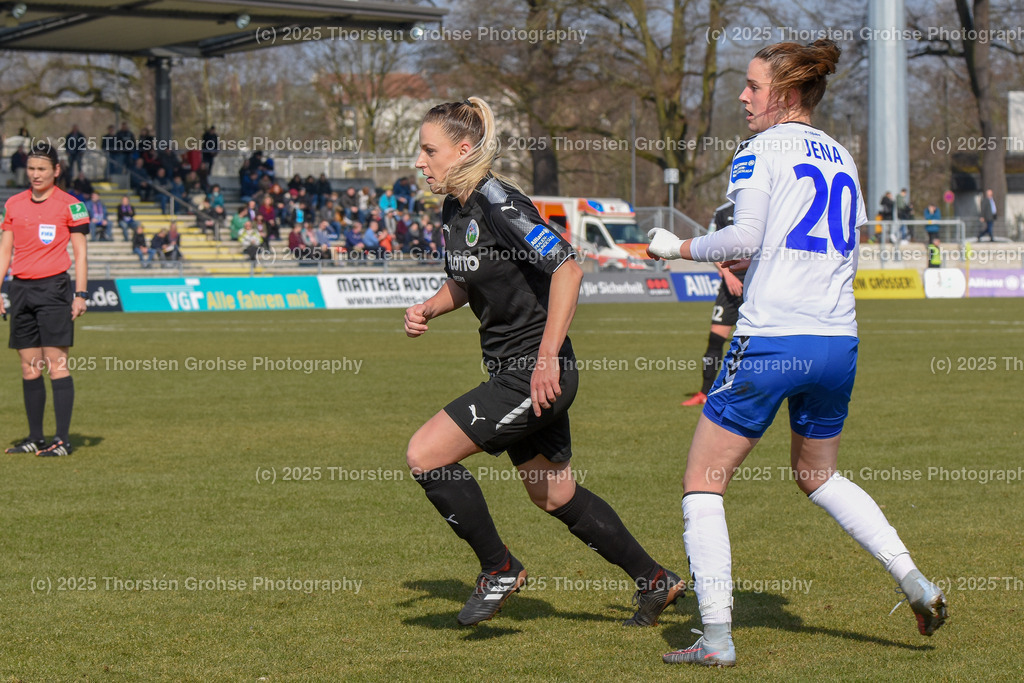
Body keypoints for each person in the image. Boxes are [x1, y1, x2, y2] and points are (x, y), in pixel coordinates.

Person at [647, 40, 947, 667]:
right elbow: (825, 248)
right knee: (819, 476)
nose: (743, 96)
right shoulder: (842, 155)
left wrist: (677, 244)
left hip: (773, 338)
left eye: (754, 86)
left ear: (784, 95)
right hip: (837, 340)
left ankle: (718, 639)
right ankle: (915, 581)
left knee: (703, 483)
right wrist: (754, 257)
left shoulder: (759, 150)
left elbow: (748, 233)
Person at [404, 97, 684, 628]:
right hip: (517, 371)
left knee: (426, 454)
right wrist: (428, 308)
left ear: (463, 151)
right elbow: (464, 283)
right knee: (553, 493)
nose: (420, 162)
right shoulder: (455, 209)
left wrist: (546, 359)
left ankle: (499, 569)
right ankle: (655, 581)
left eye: (428, 150)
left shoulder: (498, 203)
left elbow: (568, 270)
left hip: (532, 374)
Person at [0, 141, 90, 457]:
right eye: (31, 168)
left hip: (54, 290)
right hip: (20, 290)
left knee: (56, 364)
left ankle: (63, 440)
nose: (35, 175)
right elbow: (5, 250)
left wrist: (80, 294)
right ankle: (35, 437)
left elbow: (80, 254)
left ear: (56, 171)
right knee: (29, 367)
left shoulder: (72, 205)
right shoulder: (12, 204)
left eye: (42, 169)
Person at [681, 202, 747, 407]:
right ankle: (704, 393)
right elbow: (711, 245)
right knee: (715, 340)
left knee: (757, 341)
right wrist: (727, 275)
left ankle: (753, 393)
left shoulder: (767, 204)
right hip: (729, 286)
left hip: (758, 284)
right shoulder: (722, 212)